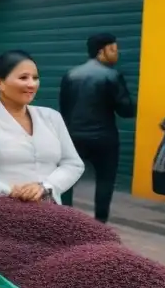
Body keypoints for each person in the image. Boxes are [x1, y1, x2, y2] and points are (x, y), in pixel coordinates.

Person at [0, 50, 84, 203]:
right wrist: (12, 193)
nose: (31, 84)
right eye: (23, 78)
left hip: (50, 211)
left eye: (35, 78)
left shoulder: (51, 117)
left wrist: (46, 187)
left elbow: (73, 164)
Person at [58, 32, 137, 222]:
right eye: (114, 50)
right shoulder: (112, 75)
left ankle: (64, 220)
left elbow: (64, 107)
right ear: (102, 51)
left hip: (74, 136)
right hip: (104, 138)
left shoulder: (70, 75)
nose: (117, 54)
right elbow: (126, 110)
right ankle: (100, 224)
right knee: (104, 181)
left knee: (67, 178)